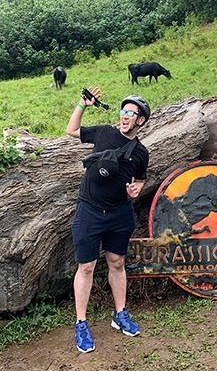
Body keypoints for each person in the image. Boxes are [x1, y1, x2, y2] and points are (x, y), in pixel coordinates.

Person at [65, 88, 150, 353]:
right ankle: (81, 323)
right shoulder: (103, 132)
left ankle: (120, 313)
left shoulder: (141, 152)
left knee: (117, 262)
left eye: (130, 113)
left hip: (119, 213)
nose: (124, 116)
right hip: (89, 210)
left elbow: (139, 179)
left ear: (141, 121)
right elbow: (71, 130)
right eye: (123, 111)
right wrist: (82, 104)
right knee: (87, 266)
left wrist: (136, 189)